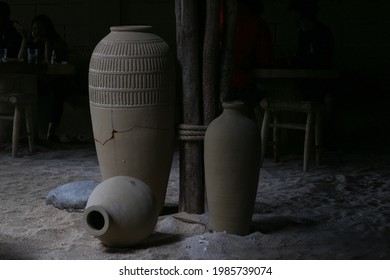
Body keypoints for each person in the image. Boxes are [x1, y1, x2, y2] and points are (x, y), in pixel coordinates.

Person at [17, 15, 69, 142]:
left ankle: (51, 131)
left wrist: (46, 42)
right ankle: (27, 133)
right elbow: (20, 60)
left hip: (52, 80)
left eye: (41, 28)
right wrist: (24, 39)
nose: (37, 32)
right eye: (34, 29)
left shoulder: (55, 42)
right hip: (35, 81)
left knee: (57, 91)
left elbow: (49, 63)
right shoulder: (30, 43)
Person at [287, 0, 334, 69]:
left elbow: (319, 61)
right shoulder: (303, 34)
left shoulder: (322, 33)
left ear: (299, 14)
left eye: (293, 14)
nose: (292, 18)